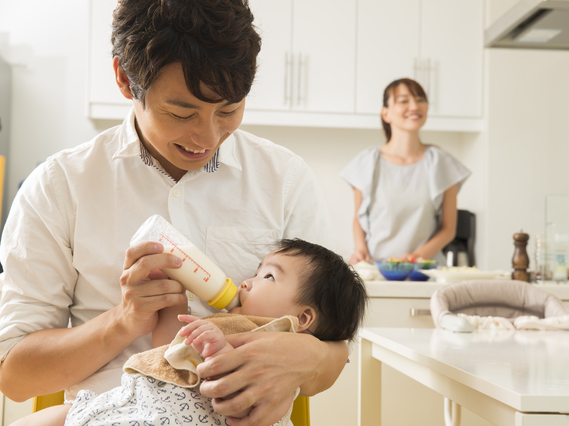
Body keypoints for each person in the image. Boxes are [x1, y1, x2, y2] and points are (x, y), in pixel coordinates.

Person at [0, 1, 348, 425]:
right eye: (181, 112)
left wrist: (305, 357)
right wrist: (123, 322)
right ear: (125, 81)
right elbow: (15, 376)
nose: (207, 136)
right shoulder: (60, 186)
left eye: (228, 110)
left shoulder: (285, 179)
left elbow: (336, 349)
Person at [12, 239, 367, 426]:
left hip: (166, 417)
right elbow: (169, 353)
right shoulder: (230, 320)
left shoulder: (278, 335)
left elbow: (235, 376)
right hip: (135, 404)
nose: (247, 280)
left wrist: (216, 348)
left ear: (302, 318)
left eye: (268, 277)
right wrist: (171, 301)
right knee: (60, 416)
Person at [341, 78, 471, 265]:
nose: (414, 106)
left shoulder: (441, 162)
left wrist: (416, 257)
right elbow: (358, 220)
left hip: (425, 271)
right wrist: (360, 250)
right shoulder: (367, 162)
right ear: (386, 113)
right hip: (377, 270)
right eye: (403, 101)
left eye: (420, 99)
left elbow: (448, 229)